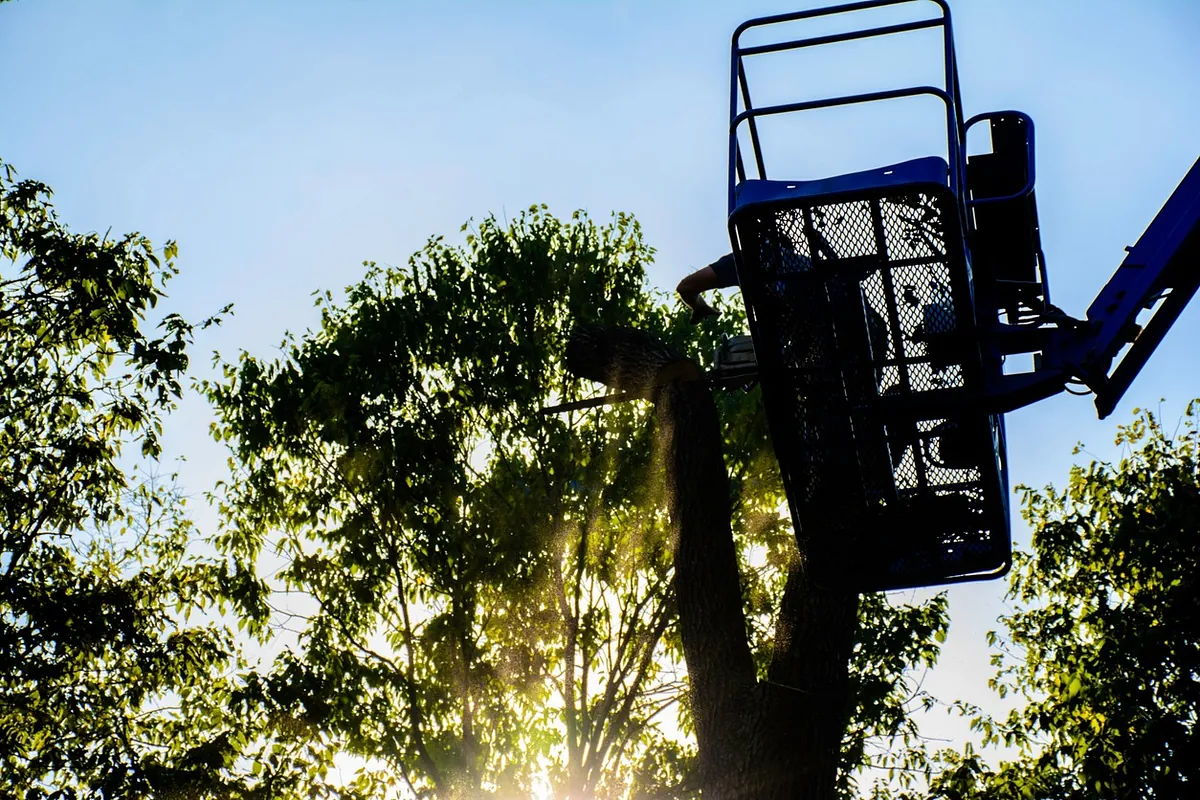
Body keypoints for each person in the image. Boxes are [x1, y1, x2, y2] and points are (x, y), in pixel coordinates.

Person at [676, 253, 739, 324]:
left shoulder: (732, 262)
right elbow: (685, 288)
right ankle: (701, 309)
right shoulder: (731, 263)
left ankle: (701, 309)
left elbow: (685, 287)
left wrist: (700, 307)